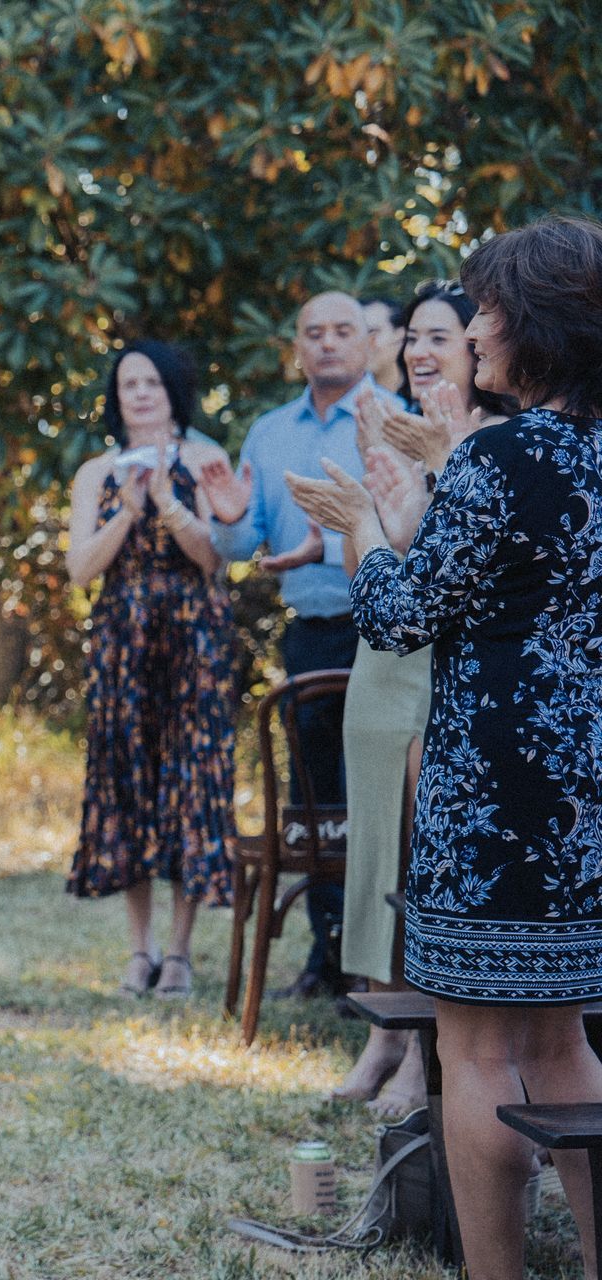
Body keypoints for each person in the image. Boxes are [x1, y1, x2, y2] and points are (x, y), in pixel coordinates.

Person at [287, 217, 602, 1280]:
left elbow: (400, 612)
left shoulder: (503, 454)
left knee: (475, 1047)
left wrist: (362, 526)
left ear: (535, 329)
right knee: (564, 1040)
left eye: (490, 313)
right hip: (587, 782)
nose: (476, 333)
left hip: (491, 780)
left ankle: (495, 1273)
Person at [329, 281, 509, 1118]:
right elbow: (383, 562)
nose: (420, 350)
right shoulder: (390, 432)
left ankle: (431, 1047)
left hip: (460, 662)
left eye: (440, 335)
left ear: (478, 348)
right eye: (410, 336)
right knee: (377, 843)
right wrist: (366, 510)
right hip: (385, 653)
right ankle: (384, 1033)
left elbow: (470, 564)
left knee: (433, 854)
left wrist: (439, 471)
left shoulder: (507, 441)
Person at [198, 292, 386, 999]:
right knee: (312, 801)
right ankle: (326, 956)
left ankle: (380, 964)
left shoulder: (397, 422)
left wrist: (332, 544)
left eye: (344, 330)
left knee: (376, 798)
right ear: (297, 347)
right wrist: (228, 520)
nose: (329, 343)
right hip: (309, 637)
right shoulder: (270, 432)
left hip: (386, 635)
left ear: (368, 342)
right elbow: (245, 545)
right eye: (316, 333)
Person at [64, 340, 236, 999]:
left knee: (190, 784)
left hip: (196, 640)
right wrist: (128, 511)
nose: (139, 393)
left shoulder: (207, 460)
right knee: (129, 782)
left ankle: (183, 953)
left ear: (173, 392)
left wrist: (167, 499)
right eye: (128, 383)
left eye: (152, 383)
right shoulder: (96, 473)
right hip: (122, 643)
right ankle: (139, 949)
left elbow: (213, 558)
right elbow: (81, 569)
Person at [360, 292, 409, 402]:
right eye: (358, 335)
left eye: (372, 332)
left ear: (400, 335)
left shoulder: (424, 392)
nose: (364, 343)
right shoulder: (345, 399)